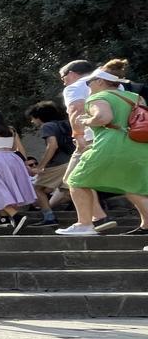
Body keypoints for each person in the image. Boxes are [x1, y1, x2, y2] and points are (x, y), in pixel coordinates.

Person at [58, 60, 148, 236]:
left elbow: (104, 117)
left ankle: (85, 224)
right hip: (138, 146)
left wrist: (87, 121)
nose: (88, 86)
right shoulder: (135, 97)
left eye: (89, 82)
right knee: (133, 187)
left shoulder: (98, 97)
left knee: (75, 180)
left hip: (110, 146)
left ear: (100, 82)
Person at [58, 60, 118, 233]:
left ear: (71, 73)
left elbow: (76, 110)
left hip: (91, 139)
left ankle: (88, 222)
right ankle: (99, 218)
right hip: (118, 138)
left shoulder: (74, 87)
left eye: (63, 78)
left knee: (72, 178)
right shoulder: (114, 86)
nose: (64, 82)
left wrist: (78, 136)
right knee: (128, 183)